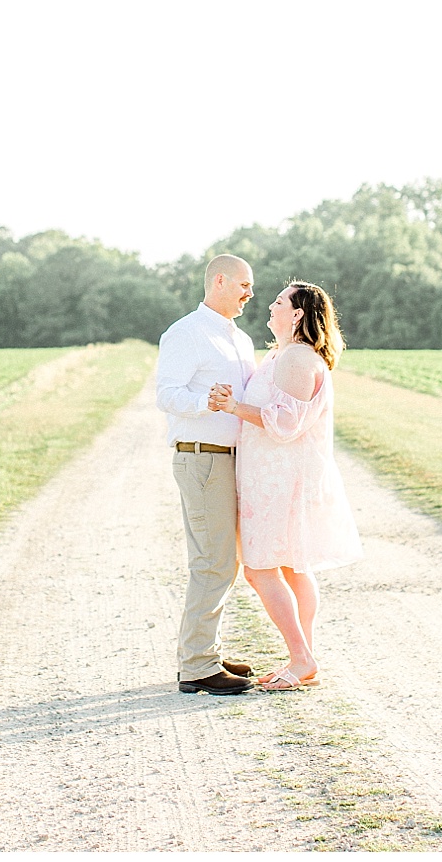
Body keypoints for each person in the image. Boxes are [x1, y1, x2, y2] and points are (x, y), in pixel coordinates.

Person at [209, 281, 360, 692]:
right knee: (294, 567)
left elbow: (287, 422)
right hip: (276, 476)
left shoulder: (296, 358)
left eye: (279, 302)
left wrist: (233, 407)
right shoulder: (285, 355)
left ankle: (301, 656)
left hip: (281, 481)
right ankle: (303, 657)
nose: (270, 306)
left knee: (260, 569)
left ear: (296, 314)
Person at [155, 254, 259, 695]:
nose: (250, 294)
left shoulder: (238, 338)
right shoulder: (186, 333)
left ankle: (205, 650)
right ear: (220, 281)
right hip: (202, 459)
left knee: (224, 560)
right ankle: (197, 665)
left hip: (231, 459)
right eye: (244, 285)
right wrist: (206, 404)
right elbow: (166, 394)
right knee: (212, 561)